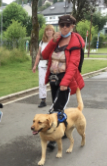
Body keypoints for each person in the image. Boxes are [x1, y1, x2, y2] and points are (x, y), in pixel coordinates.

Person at [41, 14, 85, 149]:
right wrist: (53, 41)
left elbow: (73, 65)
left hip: (66, 79)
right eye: (62, 25)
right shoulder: (57, 39)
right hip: (54, 78)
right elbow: (44, 55)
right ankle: (64, 129)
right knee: (56, 105)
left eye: (67, 25)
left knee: (58, 108)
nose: (64, 28)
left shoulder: (75, 43)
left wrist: (65, 82)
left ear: (72, 26)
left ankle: (54, 137)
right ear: (58, 26)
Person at [32, 25, 55, 108]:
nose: (48, 32)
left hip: (52, 65)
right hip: (42, 64)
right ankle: (43, 100)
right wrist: (35, 65)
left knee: (54, 83)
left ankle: (55, 101)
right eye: (47, 30)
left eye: (50, 30)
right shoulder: (42, 42)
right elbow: (38, 55)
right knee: (42, 83)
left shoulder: (55, 41)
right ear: (45, 32)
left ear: (53, 32)